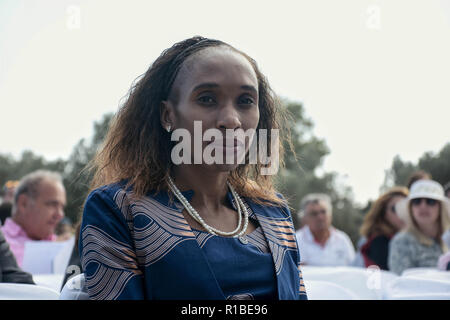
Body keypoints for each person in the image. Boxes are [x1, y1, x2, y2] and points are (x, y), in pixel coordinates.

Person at [79, 36, 307, 300]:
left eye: (245, 101)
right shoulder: (119, 209)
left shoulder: (274, 211)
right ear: (168, 115)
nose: (231, 120)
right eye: (207, 99)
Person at [1, 170, 66, 267]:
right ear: (24, 203)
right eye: (52, 204)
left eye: (62, 207)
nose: (60, 214)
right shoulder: (3, 243)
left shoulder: (64, 246)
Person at [388, 179, 450, 275]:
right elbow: (402, 283)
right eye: (417, 201)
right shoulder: (402, 242)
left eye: (430, 201)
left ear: (441, 207)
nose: (423, 206)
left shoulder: (447, 239)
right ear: (410, 208)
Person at [295, 193, 355, 266]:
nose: (320, 217)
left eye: (323, 212)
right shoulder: (296, 241)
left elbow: (353, 268)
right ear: (305, 218)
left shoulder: (342, 239)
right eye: (314, 213)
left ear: (330, 215)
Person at [358, 187, 408, 270]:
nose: (401, 213)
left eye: (405, 207)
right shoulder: (379, 243)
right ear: (383, 213)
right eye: (395, 208)